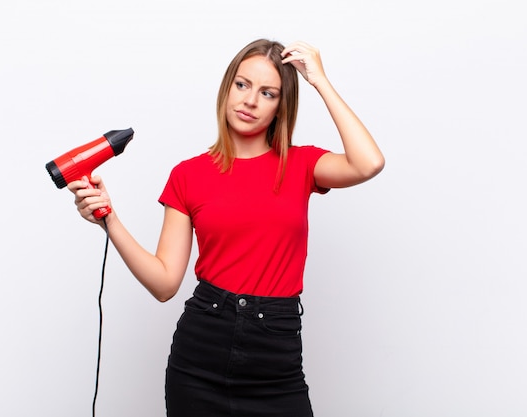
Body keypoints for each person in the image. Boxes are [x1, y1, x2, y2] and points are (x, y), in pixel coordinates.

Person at [69, 39, 384, 417]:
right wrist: (110, 219)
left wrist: (319, 80)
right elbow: (165, 283)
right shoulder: (188, 175)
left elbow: (368, 163)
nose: (250, 100)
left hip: (275, 359)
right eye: (242, 84)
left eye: (267, 93)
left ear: (280, 108)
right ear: (227, 88)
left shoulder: (302, 164)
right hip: (200, 353)